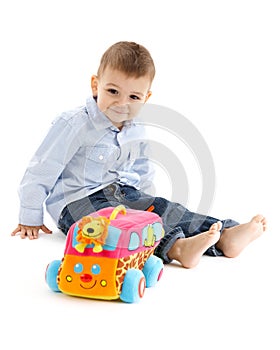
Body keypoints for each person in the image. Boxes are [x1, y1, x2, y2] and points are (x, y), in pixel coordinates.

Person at [11, 41, 267, 268]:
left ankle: (226, 235)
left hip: (120, 192)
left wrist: (146, 204)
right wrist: (30, 216)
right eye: (113, 91)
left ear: (146, 97)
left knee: (167, 209)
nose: (122, 103)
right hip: (78, 203)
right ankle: (176, 248)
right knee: (116, 228)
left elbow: (142, 168)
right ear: (95, 85)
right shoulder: (74, 124)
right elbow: (42, 168)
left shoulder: (137, 128)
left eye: (134, 96)